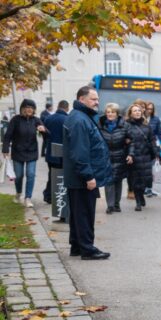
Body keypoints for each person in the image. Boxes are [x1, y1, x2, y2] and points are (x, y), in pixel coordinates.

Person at [63, 86, 112, 260]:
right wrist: (88, 176)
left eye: (97, 99)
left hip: (79, 177)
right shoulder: (79, 119)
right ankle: (87, 249)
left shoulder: (82, 117)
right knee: (84, 213)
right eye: (93, 99)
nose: (97, 102)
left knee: (78, 213)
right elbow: (80, 152)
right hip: (82, 178)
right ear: (81, 99)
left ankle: (77, 246)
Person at [2, 99, 47, 208]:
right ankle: (18, 194)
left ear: (34, 110)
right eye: (26, 108)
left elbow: (47, 136)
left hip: (31, 152)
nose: (29, 110)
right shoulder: (15, 120)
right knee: (19, 176)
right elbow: (8, 135)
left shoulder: (36, 120)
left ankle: (28, 198)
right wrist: (5, 149)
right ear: (22, 109)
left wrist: (43, 130)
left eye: (31, 108)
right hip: (18, 152)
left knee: (30, 174)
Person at [99, 103, 132, 214]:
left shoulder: (125, 125)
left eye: (112, 112)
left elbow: (132, 141)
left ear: (117, 114)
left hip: (120, 156)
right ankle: (110, 205)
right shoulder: (100, 124)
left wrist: (130, 154)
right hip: (106, 156)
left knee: (117, 181)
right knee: (109, 181)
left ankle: (117, 204)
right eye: (108, 112)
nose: (110, 114)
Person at [126, 103, 158, 211]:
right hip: (134, 157)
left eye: (139, 111)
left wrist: (156, 152)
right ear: (130, 113)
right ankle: (138, 201)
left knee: (145, 180)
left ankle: (141, 195)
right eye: (134, 111)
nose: (137, 112)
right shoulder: (126, 125)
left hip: (146, 156)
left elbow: (152, 139)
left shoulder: (146, 126)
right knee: (136, 181)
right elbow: (125, 139)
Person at [42, 100, 69, 205]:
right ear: (67, 108)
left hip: (51, 152)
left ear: (58, 106)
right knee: (61, 176)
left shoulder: (48, 118)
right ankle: (56, 196)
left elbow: (45, 135)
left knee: (51, 174)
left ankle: (48, 195)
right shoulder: (67, 119)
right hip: (62, 153)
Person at [144, 101, 161, 197]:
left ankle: (149, 189)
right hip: (142, 147)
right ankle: (143, 188)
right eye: (148, 108)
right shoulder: (141, 118)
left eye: (151, 109)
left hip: (153, 146)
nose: (149, 111)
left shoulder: (156, 119)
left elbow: (160, 133)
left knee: (151, 168)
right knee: (144, 169)